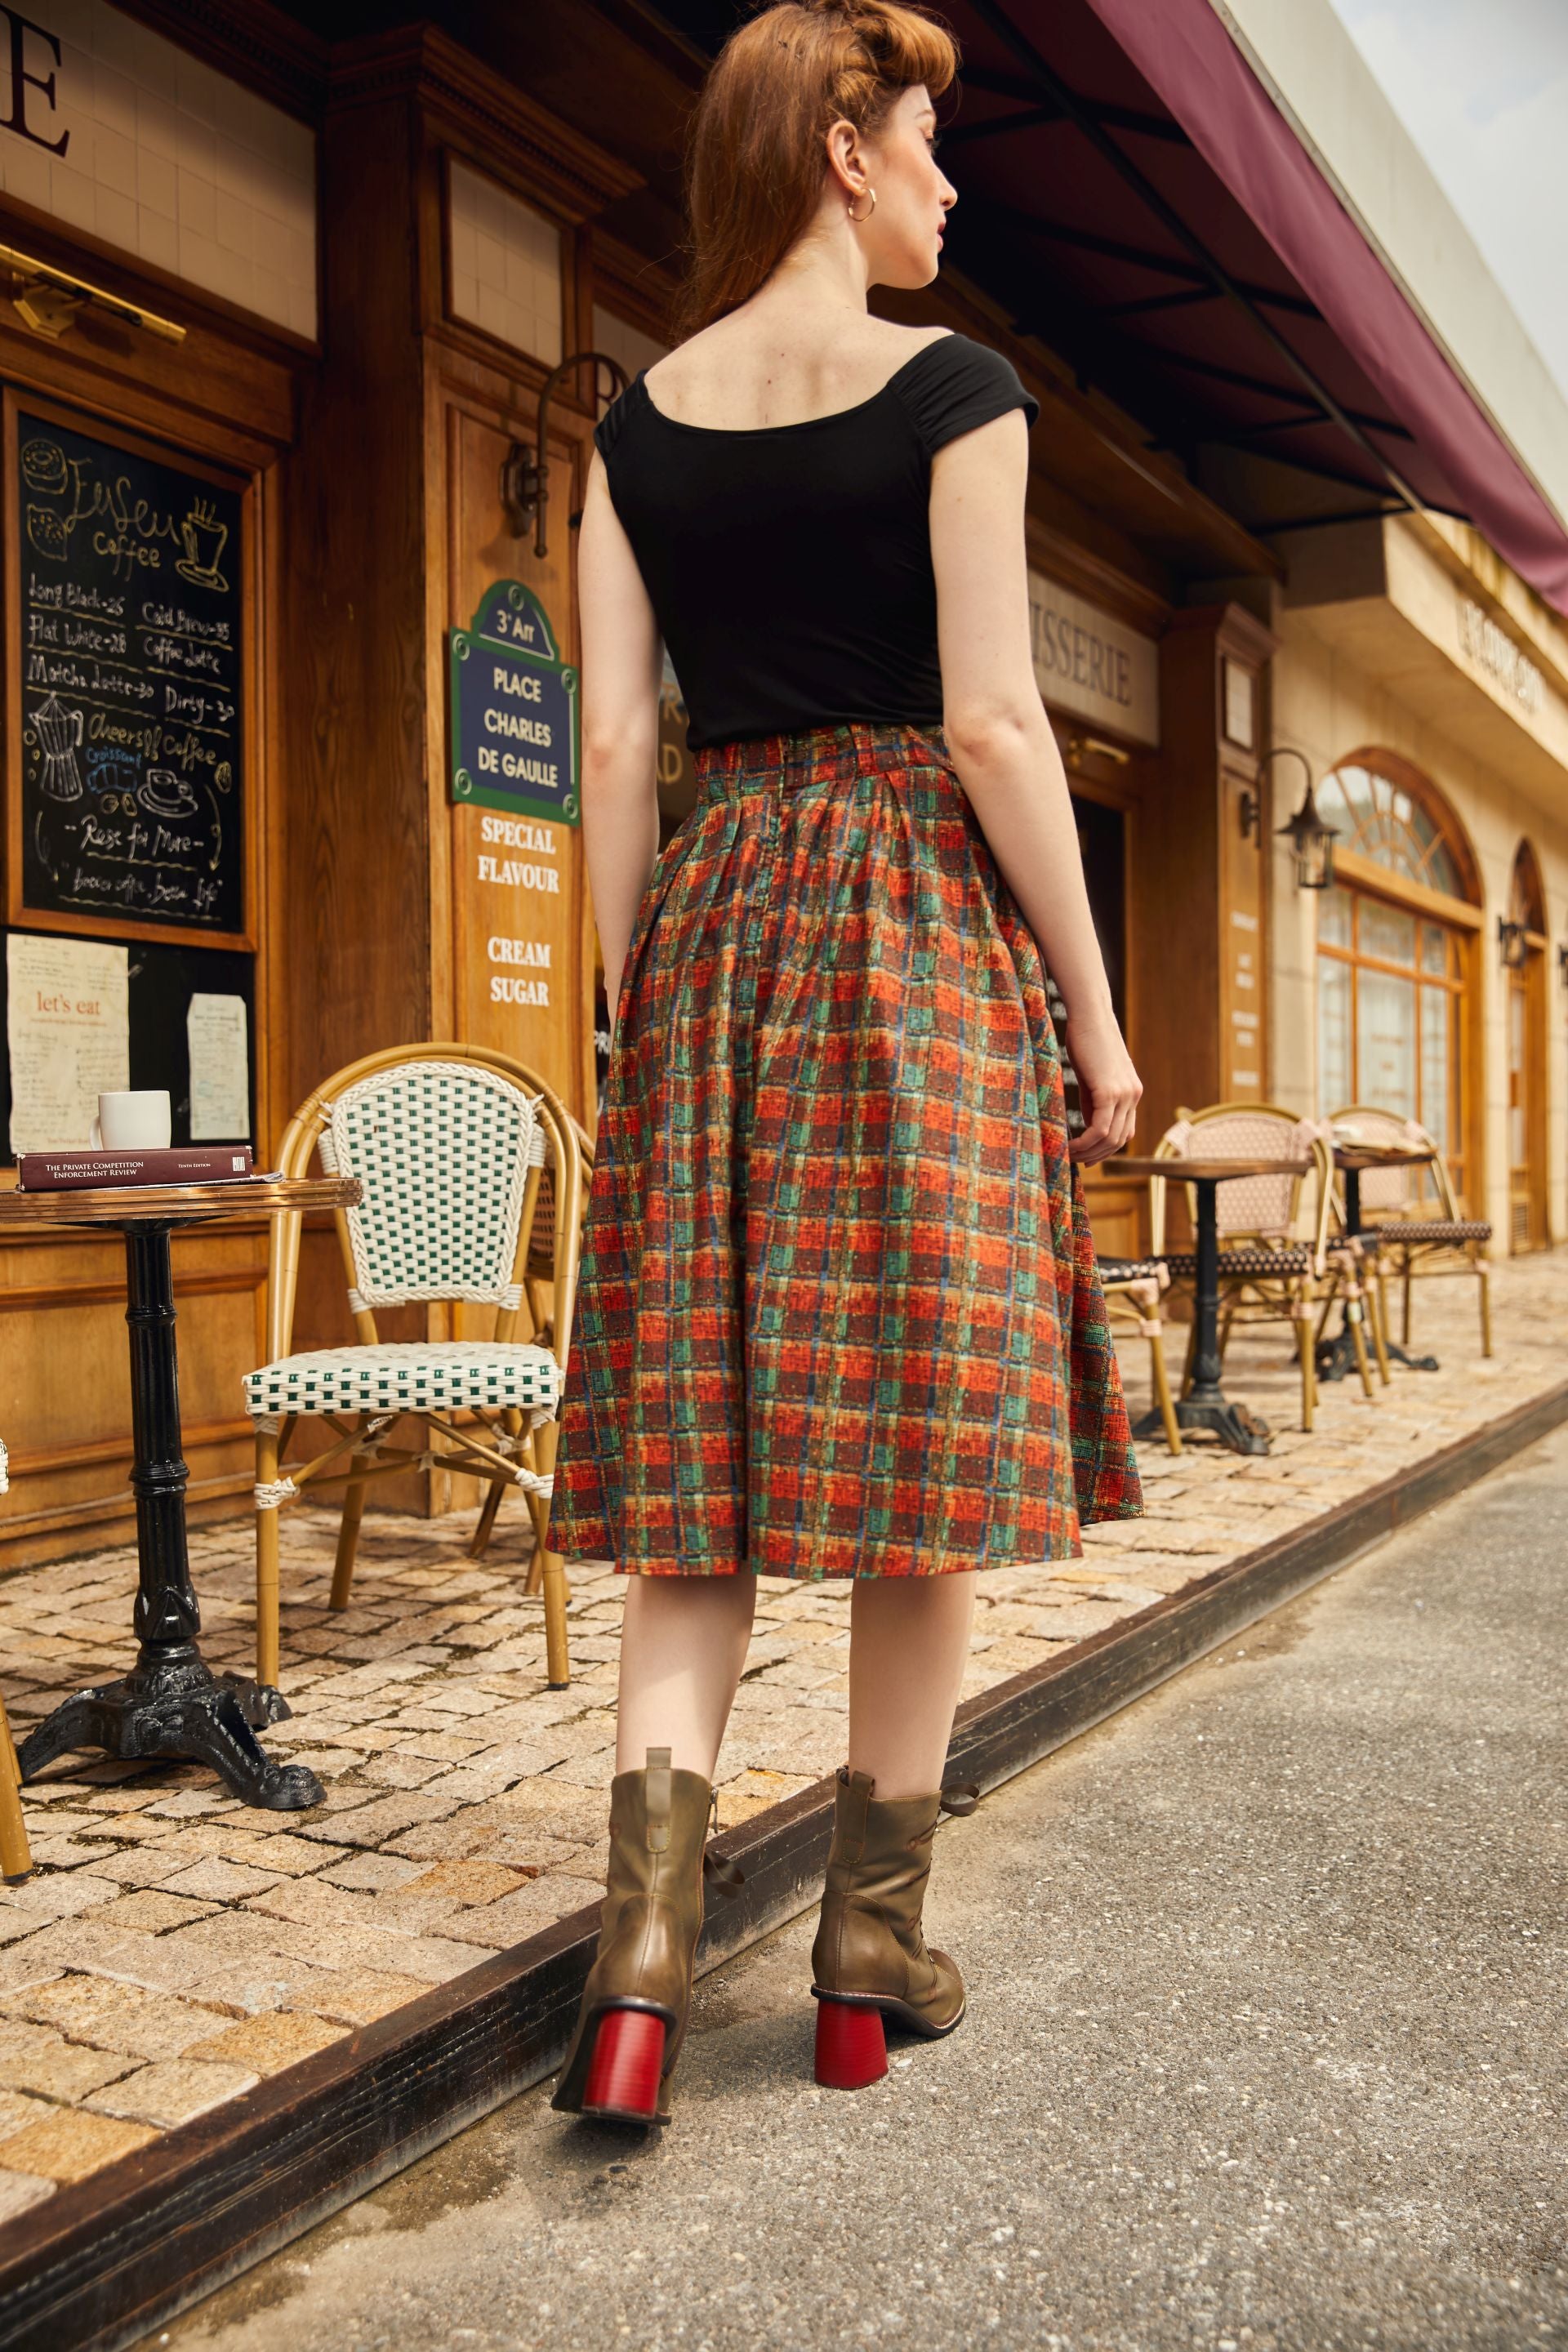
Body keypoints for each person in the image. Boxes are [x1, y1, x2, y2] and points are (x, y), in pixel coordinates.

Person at [547, 0, 1142, 2126]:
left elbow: (618, 746)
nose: (950, 187)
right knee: (922, 1454)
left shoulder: (633, 425)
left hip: (713, 926)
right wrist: (1094, 1010)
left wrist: (637, 1000)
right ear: (841, 148)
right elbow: (992, 721)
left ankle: (639, 1969)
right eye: (927, 144)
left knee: (691, 1478)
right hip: (908, 928)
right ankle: (866, 1951)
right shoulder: (957, 390)